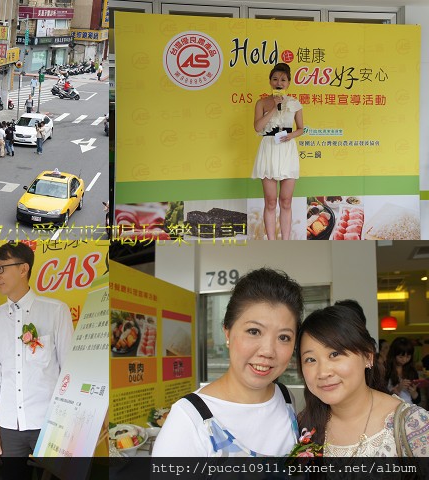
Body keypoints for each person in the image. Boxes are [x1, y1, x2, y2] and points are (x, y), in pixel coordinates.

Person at [152, 268, 303, 457]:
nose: (268, 351)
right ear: (227, 332)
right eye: (254, 331)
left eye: (284, 337)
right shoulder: (189, 420)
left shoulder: (286, 398)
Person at [0, 242, 74, 477]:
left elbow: (69, 371)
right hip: (9, 426)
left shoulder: (55, 311)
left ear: (23, 269)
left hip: (48, 422)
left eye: (1, 268)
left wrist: (69, 422)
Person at [297, 305, 429, 456]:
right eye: (310, 359)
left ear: (368, 356)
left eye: (334, 354)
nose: (323, 372)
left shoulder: (413, 424)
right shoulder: (303, 424)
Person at [251, 63, 304, 240]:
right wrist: (274, 107)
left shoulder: (295, 104)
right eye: (275, 79)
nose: (278, 83)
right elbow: (257, 127)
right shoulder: (261, 103)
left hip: (287, 149)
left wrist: (291, 136)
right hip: (268, 149)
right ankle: (272, 241)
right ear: (270, 82)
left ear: (288, 83)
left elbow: (301, 128)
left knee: (286, 201)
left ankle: (286, 240)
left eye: (283, 79)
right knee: (271, 201)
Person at [385, 337, 421, 405]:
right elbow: (381, 396)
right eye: (401, 357)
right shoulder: (386, 369)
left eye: (408, 357)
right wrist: (398, 388)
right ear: (393, 355)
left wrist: (413, 392)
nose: (404, 360)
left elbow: (418, 400)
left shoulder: (412, 371)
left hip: (409, 408)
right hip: (392, 408)